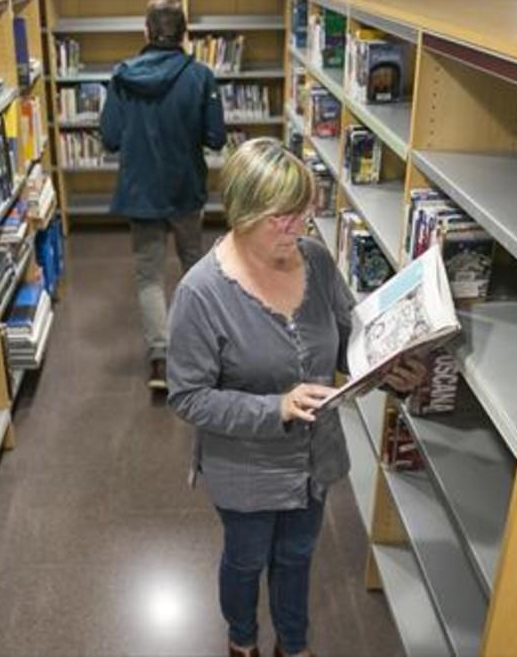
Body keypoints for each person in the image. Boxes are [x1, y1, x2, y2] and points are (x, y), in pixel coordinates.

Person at [166, 138, 426, 657]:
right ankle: (242, 641)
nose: (295, 228)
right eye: (279, 218)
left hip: (314, 457)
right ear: (243, 212)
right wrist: (275, 407)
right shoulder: (201, 294)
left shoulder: (316, 260)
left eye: (302, 213)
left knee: (298, 556)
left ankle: (294, 643)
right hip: (246, 466)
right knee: (245, 561)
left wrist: (386, 366)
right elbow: (189, 397)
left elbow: (351, 335)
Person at [100, 0, 226, 391]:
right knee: (195, 269)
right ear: (185, 36)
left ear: (146, 32)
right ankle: (202, 354)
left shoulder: (122, 78)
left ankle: (160, 360)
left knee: (148, 277)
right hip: (186, 187)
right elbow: (216, 138)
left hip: (141, 192)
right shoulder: (201, 76)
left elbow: (110, 139)